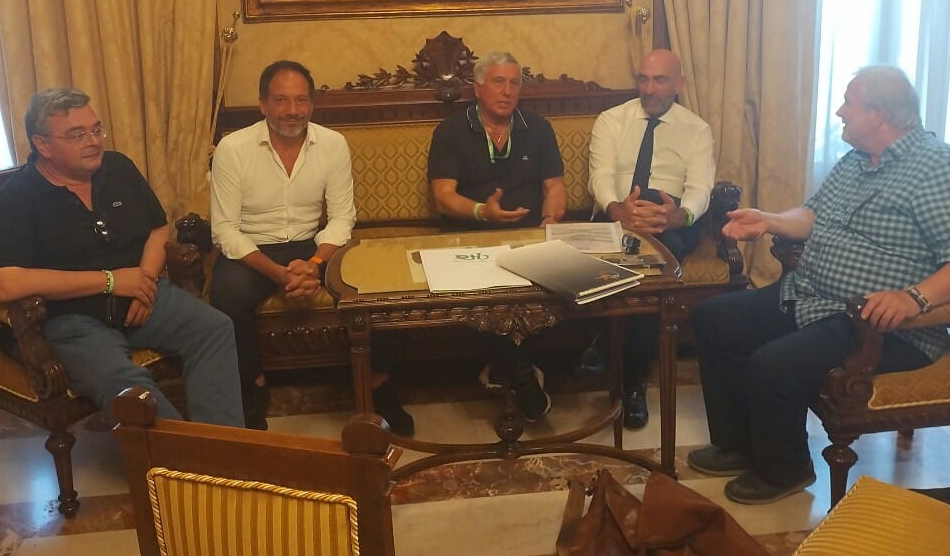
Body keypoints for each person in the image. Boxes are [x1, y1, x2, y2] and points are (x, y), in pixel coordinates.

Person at [687, 66, 950, 505]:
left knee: (773, 364)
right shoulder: (856, 159)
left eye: (849, 102)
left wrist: (913, 298)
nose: (840, 111)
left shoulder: (935, 169)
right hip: (812, 296)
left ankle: (785, 470)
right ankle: (737, 446)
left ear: (879, 115)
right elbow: (812, 215)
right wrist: (768, 220)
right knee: (715, 318)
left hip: (879, 324)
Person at [0, 88, 244, 428]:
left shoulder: (118, 168)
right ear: (43, 145)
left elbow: (158, 229)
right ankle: (182, 456)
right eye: (77, 135)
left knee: (214, 328)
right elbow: (5, 283)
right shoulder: (17, 197)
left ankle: (225, 448)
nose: (93, 141)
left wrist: (145, 283)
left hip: (143, 296)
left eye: (96, 129)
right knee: (129, 389)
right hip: (69, 319)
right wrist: (111, 281)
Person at [210, 60, 413, 434]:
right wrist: (279, 273)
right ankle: (251, 386)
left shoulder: (332, 144)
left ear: (311, 103)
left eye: (301, 100)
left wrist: (315, 263)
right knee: (227, 294)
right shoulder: (232, 148)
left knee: (372, 282)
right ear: (263, 104)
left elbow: (342, 217)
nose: (292, 110)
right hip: (253, 247)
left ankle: (378, 383)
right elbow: (224, 230)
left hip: (310, 244)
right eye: (281, 100)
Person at [427, 51, 567, 420]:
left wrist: (549, 220)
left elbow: (555, 187)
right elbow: (443, 197)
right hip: (468, 237)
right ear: (477, 88)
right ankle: (520, 371)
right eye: (498, 82)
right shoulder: (451, 131)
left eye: (514, 83)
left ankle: (505, 369)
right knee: (492, 284)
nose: (507, 91)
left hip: (528, 236)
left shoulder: (539, 129)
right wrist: (482, 212)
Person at [588, 49, 715, 429]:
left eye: (659, 80)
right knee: (636, 258)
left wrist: (678, 215)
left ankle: (622, 368)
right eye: (643, 79)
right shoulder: (611, 120)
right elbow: (600, 176)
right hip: (617, 215)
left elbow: (700, 189)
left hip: (669, 220)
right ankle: (628, 372)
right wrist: (618, 209)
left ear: (679, 83)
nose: (649, 88)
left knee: (657, 259)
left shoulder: (697, 129)